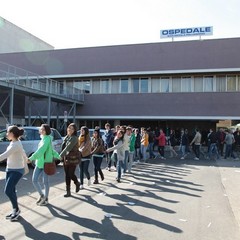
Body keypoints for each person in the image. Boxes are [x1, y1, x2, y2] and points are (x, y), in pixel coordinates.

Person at [28, 124, 60, 206]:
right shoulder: (43, 139)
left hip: (46, 163)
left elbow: (41, 150)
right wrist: (58, 156)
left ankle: (45, 198)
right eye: (41, 129)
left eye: (42, 130)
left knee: (45, 182)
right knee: (34, 180)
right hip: (39, 163)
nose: (41, 131)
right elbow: (51, 150)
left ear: (46, 131)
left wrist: (31, 158)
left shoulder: (47, 139)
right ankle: (42, 195)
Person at [0, 126, 27, 221]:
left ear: (12, 134)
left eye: (7, 132)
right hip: (10, 169)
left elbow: (5, 155)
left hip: (17, 170)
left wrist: (26, 159)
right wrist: (25, 158)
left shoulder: (16, 144)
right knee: (12, 191)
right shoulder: (14, 142)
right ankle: (15, 210)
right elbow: (22, 152)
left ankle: (16, 209)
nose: (6, 134)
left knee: (8, 191)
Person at [59, 123, 81, 197]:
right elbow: (63, 147)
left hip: (73, 158)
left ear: (74, 130)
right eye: (69, 128)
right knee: (67, 175)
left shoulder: (74, 138)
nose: (69, 129)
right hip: (66, 158)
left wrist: (60, 156)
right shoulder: (66, 137)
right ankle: (68, 191)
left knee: (71, 174)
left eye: (72, 128)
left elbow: (68, 148)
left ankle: (77, 183)